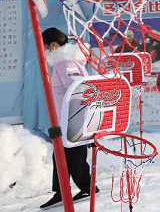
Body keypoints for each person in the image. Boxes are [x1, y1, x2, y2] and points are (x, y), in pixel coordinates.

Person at [40, 28, 98, 209]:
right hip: (70, 119)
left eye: (46, 48)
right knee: (61, 154)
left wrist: (75, 121)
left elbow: (78, 90)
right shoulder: (70, 62)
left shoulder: (64, 64)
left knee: (73, 155)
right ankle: (60, 192)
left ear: (54, 46)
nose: (45, 52)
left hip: (72, 120)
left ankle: (86, 187)